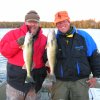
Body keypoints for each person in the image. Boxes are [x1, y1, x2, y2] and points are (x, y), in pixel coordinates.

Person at [51, 11, 100, 100]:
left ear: (69, 21)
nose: (61, 24)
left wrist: (96, 76)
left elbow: (94, 56)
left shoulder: (83, 36)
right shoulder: (53, 39)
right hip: (59, 82)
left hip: (80, 82)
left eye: (64, 21)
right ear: (56, 25)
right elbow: (47, 58)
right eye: (58, 22)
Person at [0, 10, 49, 100]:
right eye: (30, 21)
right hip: (15, 84)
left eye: (35, 22)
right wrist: (17, 42)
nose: (33, 24)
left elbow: (47, 59)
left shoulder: (45, 39)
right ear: (25, 22)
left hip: (35, 84)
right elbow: (4, 51)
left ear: (39, 23)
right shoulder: (12, 34)